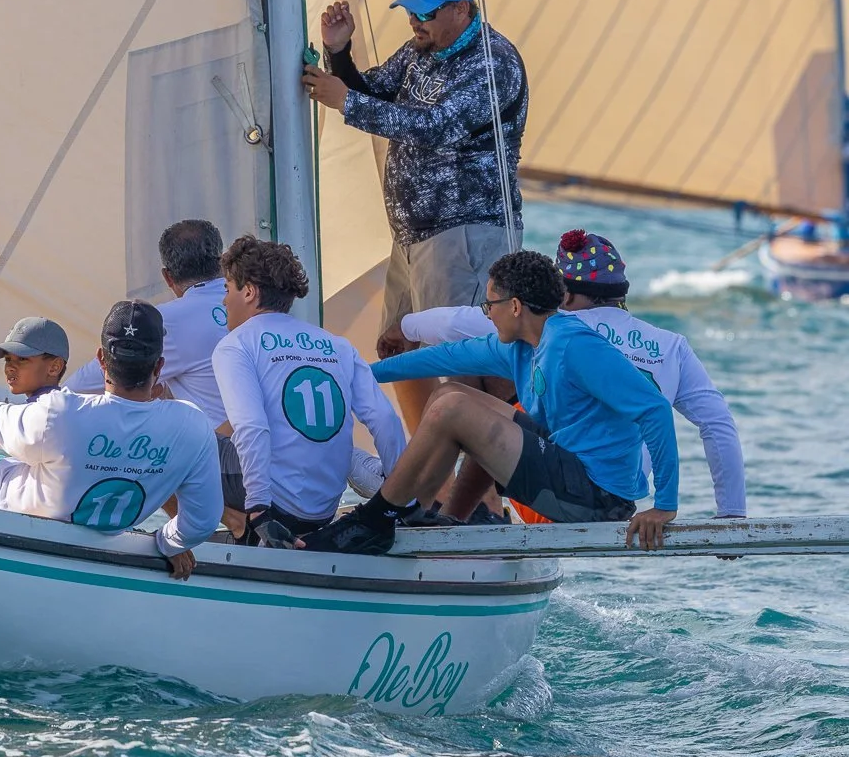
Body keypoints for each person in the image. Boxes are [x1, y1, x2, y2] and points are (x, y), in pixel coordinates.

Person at [305, 250, 680, 555]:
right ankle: (416, 513)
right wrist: (354, 376)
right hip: (569, 468)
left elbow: (655, 410)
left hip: (598, 499)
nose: (488, 313)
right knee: (449, 395)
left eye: (490, 305)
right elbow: (440, 359)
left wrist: (664, 505)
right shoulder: (520, 346)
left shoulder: (576, 345)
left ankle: (375, 519)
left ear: (515, 306)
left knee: (451, 410)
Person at [300, 0, 528, 432]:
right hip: (413, 238)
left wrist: (344, 100)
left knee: (466, 367)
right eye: (411, 11)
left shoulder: (493, 62)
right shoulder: (421, 50)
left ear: (460, 10)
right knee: (399, 350)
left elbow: (435, 127)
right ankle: (431, 479)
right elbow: (375, 92)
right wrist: (338, 54)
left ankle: (482, 493)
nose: (414, 21)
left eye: (425, 13)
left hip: (465, 233)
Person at [399, 229, 747, 520]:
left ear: (561, 292)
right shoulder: (673, 346)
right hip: (623, 494)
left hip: (560, 491)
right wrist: (731, 513)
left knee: (489, 414)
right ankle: (458, 519)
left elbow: (451, 323)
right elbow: (718, 426)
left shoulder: (547, 324)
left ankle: (450, 520)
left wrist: (403, 327)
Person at [0, 300, 222, 580]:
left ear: (101, 360)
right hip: (102, 537)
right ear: (158, 366)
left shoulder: (58, 413)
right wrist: (166, 544)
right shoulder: (193, 426)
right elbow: (202, 523)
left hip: (18, 519)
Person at [210, 236, 407, 543]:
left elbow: (251, 426)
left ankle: (237, 528)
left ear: (248, 291)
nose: (224, 301)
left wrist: (261, 511)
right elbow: (384, 419)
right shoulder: (339, 345)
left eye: (227, 289)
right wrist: (401, 500)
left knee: (173, 434)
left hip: (271, 507)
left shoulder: (235, 345)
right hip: (323, 510)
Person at [64, 219, 228, 428]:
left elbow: (81, 388)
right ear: (222, 262)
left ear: (167, 277)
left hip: (218, 451)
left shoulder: (167, 319)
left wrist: (45, 401)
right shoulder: (255, 302)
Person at [0, 317, 69, 402]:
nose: (9, 368)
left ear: (55, 367)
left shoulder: (49, 410)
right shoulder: (65, 405)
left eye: (22, 358)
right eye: (8, 359)